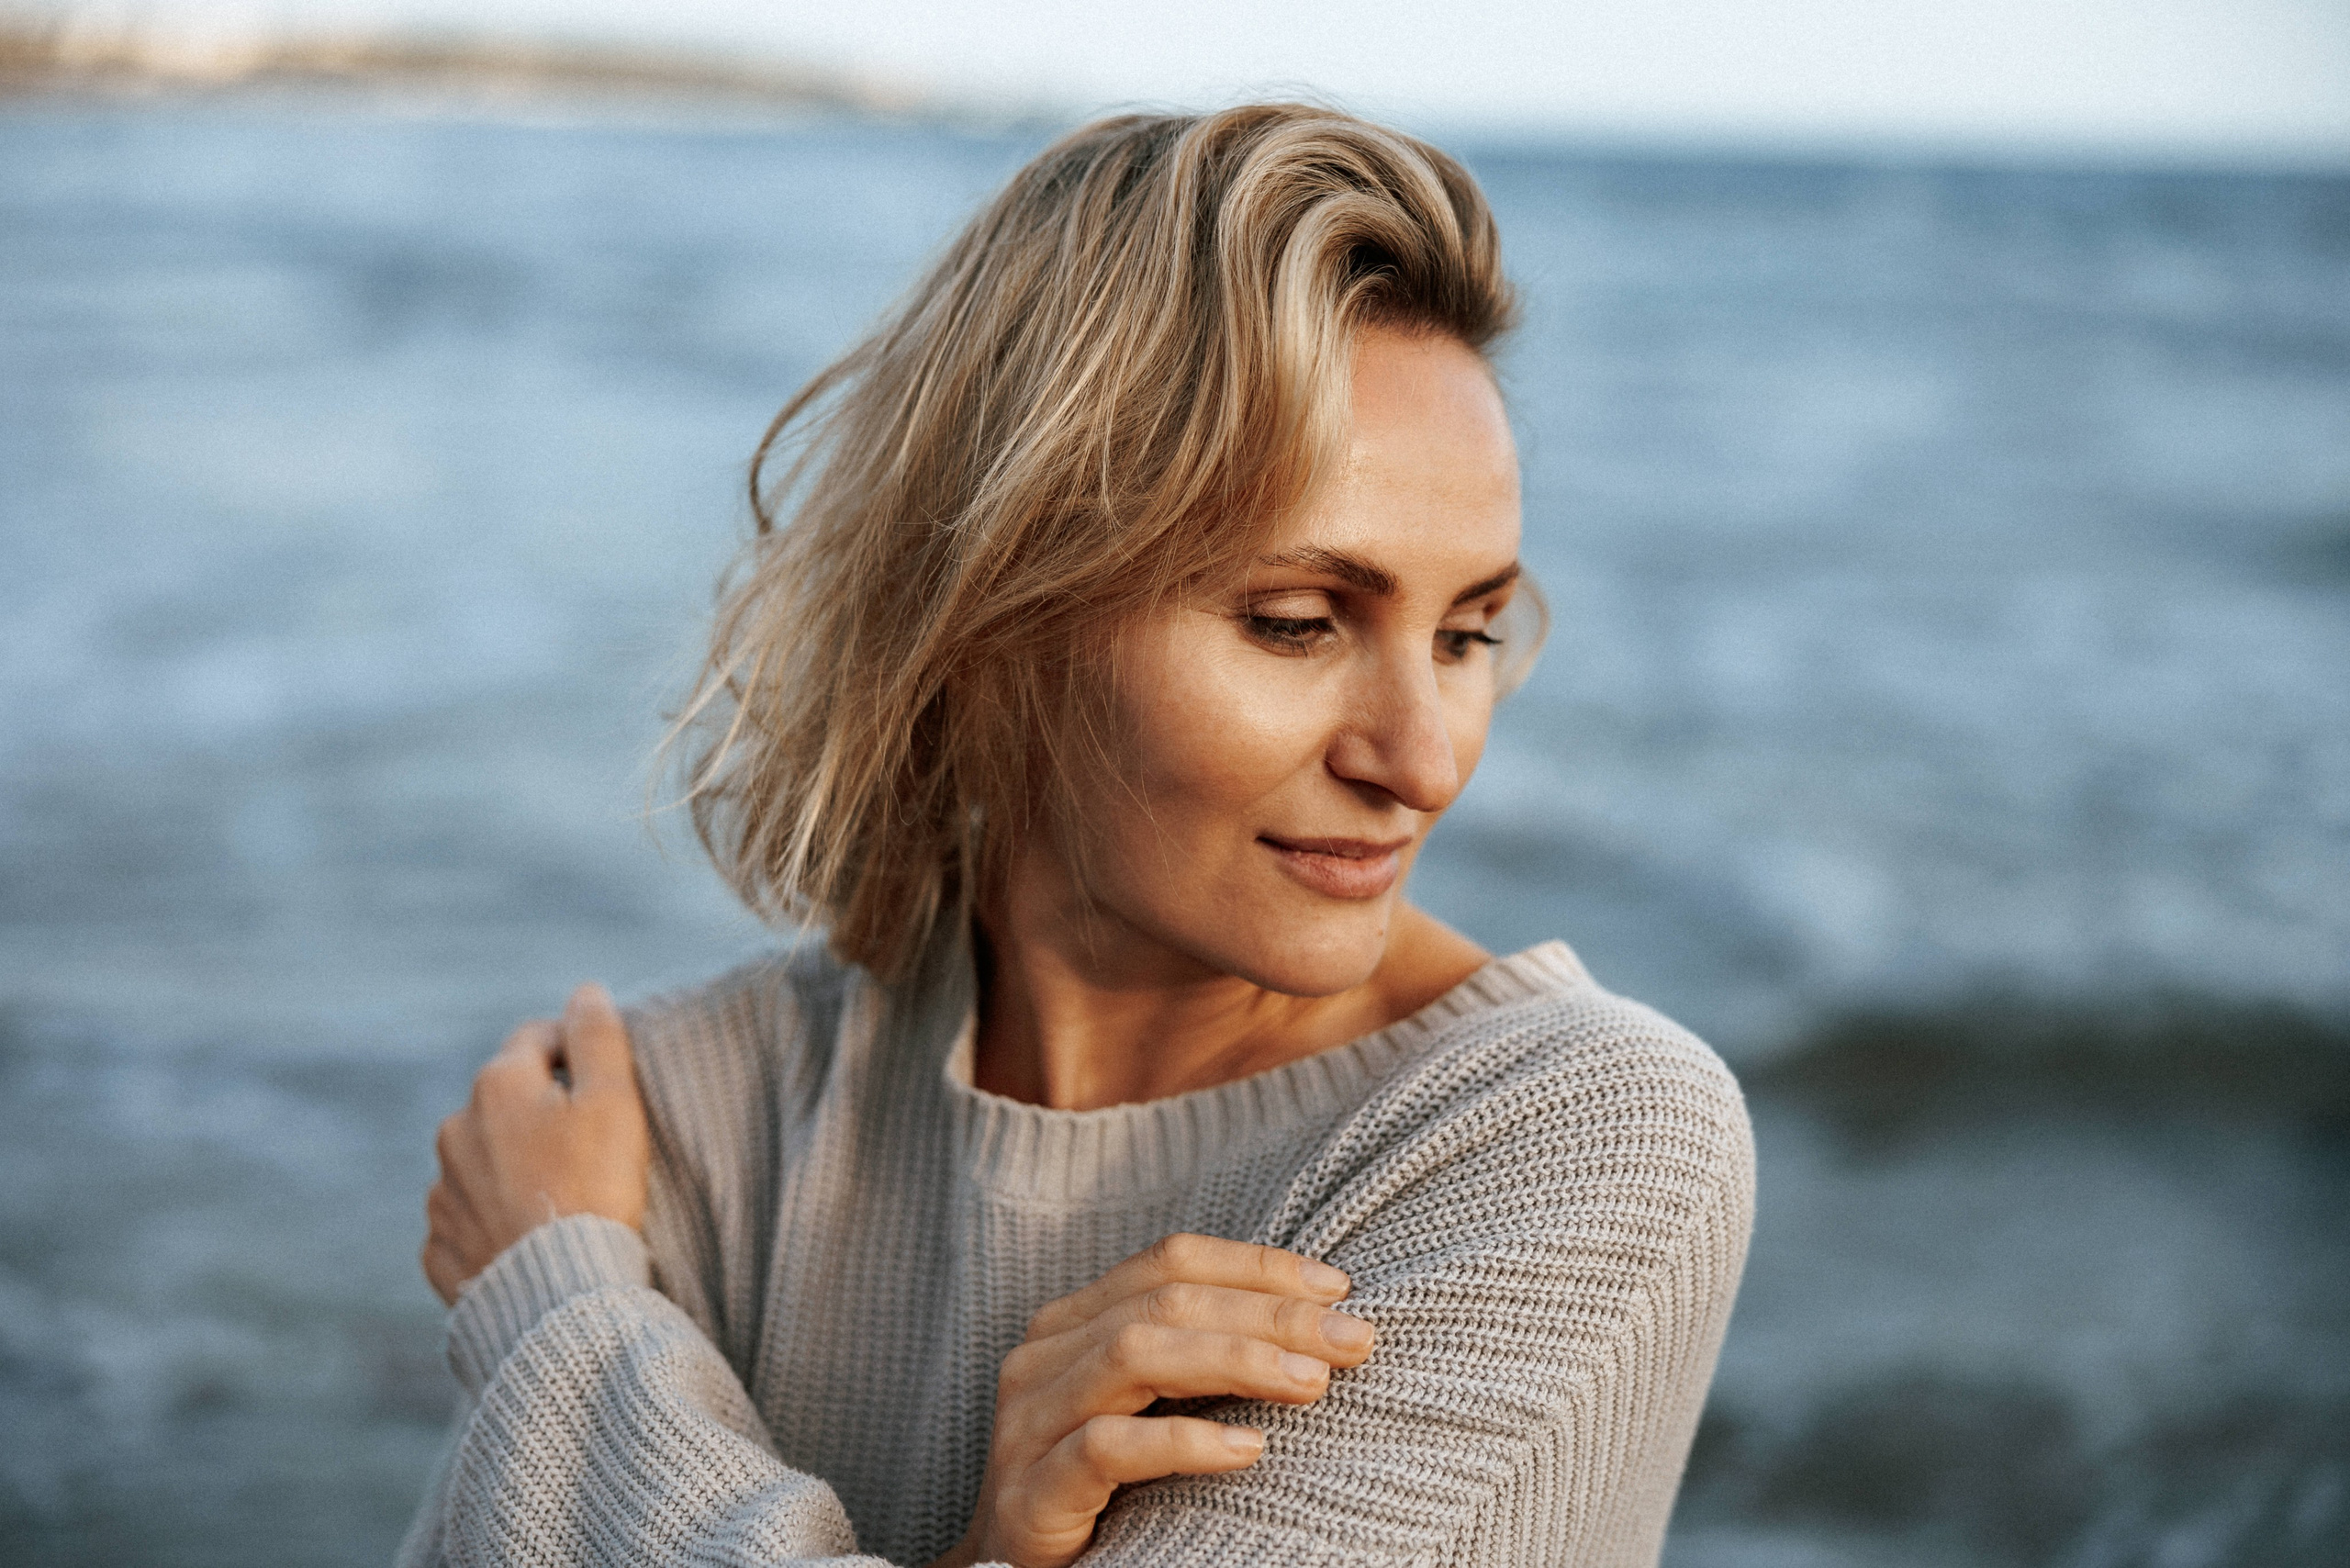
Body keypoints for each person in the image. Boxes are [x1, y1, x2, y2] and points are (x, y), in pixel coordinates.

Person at [400, 104, 1753, 1568]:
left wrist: (564, 1324)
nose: (1424, 760)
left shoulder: (1574, 1139)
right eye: (1296, 624)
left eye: (1469, 632)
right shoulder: (672, 1123)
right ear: (998, 609)